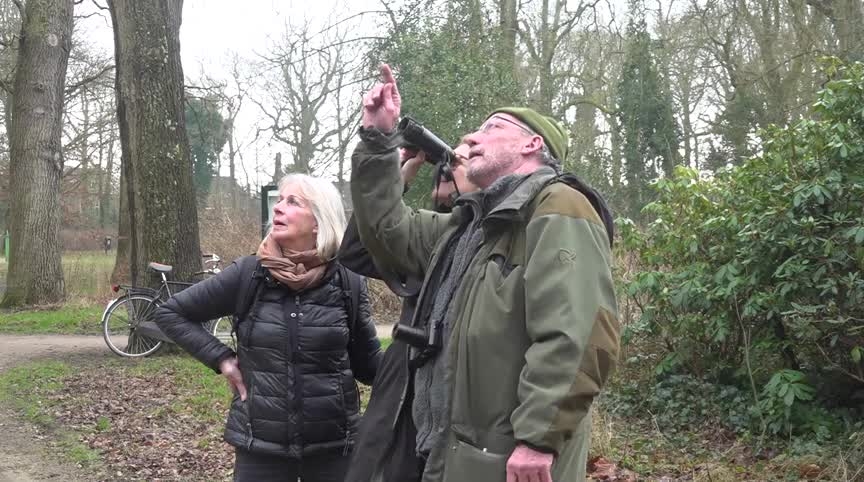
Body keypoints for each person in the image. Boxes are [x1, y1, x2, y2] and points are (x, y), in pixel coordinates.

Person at [349, 64, 620, 482]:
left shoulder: (559, 205)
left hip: (509, 465)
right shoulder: (468, 225)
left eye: (492, 128)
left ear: (533, 144)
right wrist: (378, 139)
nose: (472, 137)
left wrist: (537, 439)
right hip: (449, 460)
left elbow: (578, 332)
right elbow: (386, 230)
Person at [155, 173, 382, 482]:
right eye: (279, 201)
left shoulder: (348, 281)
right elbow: (171, 313)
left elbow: (369, 367)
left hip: (335, 449)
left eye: (293, 202)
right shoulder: (249, 274)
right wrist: (221, 359)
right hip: (260, 448)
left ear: (319, 220)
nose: (278, 208)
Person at [339, 143, 478, 482]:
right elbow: (356, 252)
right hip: (399, 386)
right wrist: (396, 181)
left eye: (465, 158)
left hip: (449, 392)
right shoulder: (422, 242)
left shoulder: (488, 240)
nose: (450, 164)